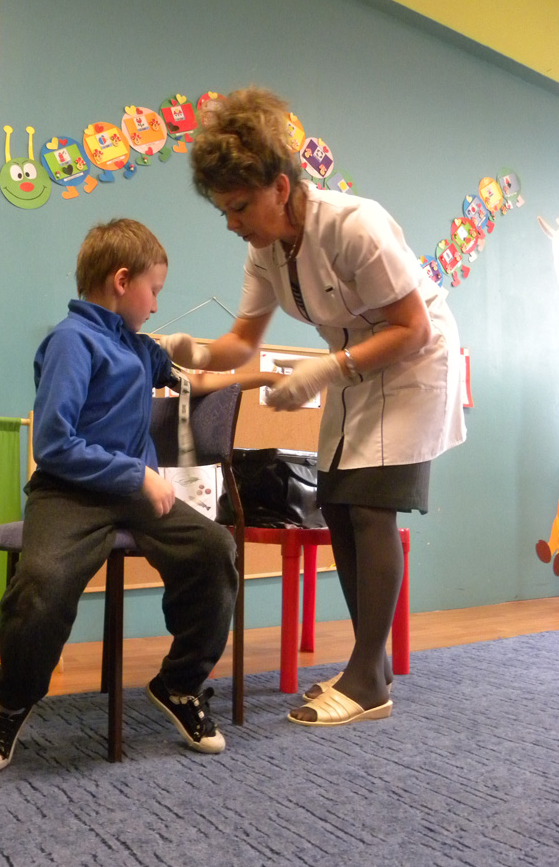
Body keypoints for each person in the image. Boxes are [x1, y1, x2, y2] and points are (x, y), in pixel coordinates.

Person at [160, 87, 466, 728]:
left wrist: (326, 369)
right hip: (355, 364)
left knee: (370, 505)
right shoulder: (265, 250)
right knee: (337, 503)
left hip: (413, 361)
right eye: (222, 210)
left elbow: (413, 327)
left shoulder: (355, 225)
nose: (232, 222)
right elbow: (242, 341)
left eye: (239, 206)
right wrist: (191, 349)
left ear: (280, 186)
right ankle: (371, 666)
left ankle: (367, 679)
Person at [0, 217, 283, 774]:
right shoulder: (71, 342)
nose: (157, 305)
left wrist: (262, 380)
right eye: (153, 290)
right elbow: (54, 443)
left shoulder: (137, 348)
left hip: (135, 493)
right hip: (70, 491)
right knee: (42, 584)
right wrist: (136, 475)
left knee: (214, 550)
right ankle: (11, 702)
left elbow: (194, 383)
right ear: (120, 281)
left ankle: (178, 685)